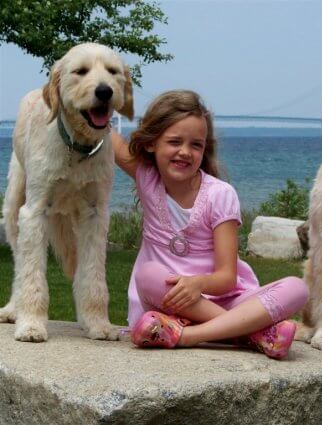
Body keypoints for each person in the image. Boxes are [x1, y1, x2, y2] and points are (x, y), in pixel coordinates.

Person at [111, 90, 308, 359]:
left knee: (298, 288)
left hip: (221, 299)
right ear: (150, 144)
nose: (184, 152)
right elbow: (99, 129)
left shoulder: (220, 194)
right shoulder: (147, 178)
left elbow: (227, 278)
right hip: (168, 300)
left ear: (205, 149)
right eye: (174, 141)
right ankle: (252, 334)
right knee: (147, 274)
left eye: (196, 144)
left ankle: (188, 335)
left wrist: (197, 284)